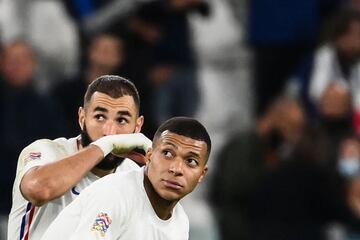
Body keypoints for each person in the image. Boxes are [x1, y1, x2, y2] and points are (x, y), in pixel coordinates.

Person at [7, 75, 152, 240]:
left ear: (138, 126)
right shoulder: (46, 151)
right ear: (82, 118)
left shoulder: (135, 178)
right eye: (99, 117)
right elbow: (39, 189)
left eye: (122, 120)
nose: (110, 132)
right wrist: (105, 146)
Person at [41, 116, 211, 239]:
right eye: (167, 153)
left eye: (190, 161)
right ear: (149, 156)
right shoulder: (116, 194)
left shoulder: (180, 224)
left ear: (202, 174)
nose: (176, 169)